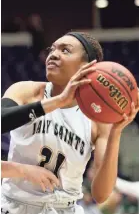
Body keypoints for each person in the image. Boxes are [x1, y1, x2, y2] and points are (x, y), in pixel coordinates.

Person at [1, 32, 139, 214]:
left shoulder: (97, 120)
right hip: (15, 206)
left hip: (64, 209)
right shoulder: (26, 91)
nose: (54, 54)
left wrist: (115, 133)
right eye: (52, 49)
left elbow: (101, 195)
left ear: (88, 66)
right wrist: (22, 170)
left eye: (65, 50)